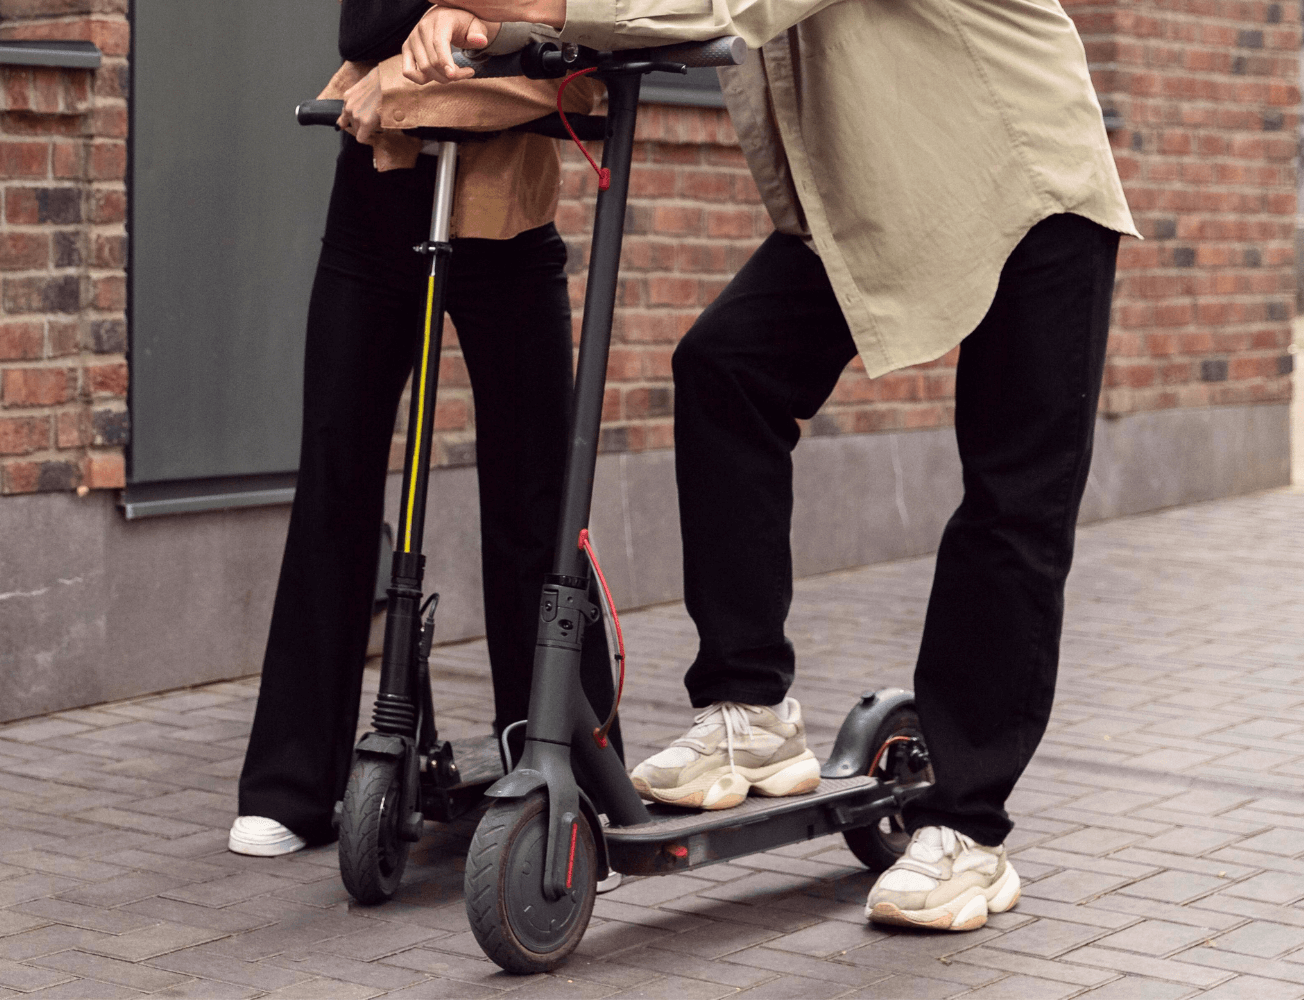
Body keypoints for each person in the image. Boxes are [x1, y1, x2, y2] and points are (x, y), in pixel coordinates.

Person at [403, 0, 1134, 932]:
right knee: (725, 367)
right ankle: (750, 711)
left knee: (1011, 504)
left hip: (1026, 182)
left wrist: (509, 3)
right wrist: (477, 26)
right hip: (882, 199)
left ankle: (966, 834)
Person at [229, 1, 611, 859]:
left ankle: (566, 779)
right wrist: (464, 16)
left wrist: (447, 25)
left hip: (510, 217)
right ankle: (294, 783)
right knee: (337, 470)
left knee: (536, 494)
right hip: (378, 203)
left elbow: (582, 38)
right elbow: (364, 29)